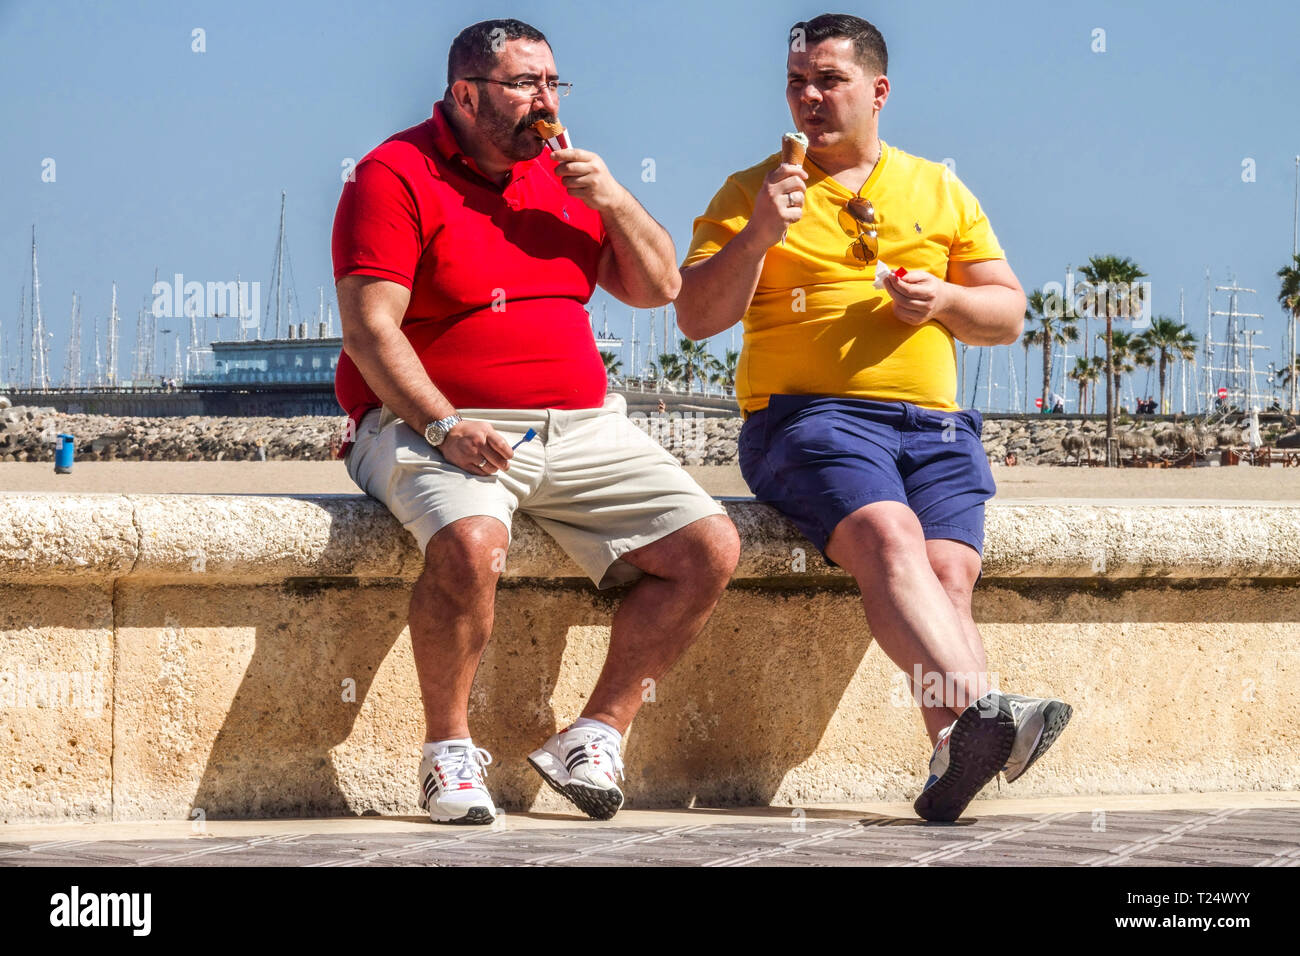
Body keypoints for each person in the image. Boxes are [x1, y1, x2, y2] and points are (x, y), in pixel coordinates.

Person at [333, 18, 740, 825]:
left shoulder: (569, 177)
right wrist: (445, 426)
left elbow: (663, 288)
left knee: (709, 547)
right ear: (464, 93)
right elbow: (370, 329)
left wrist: (614, 198)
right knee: (472, 545)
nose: (544, 102)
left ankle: (592, 735)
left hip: (581, 425)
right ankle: (447, 754)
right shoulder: (392, 172)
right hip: (427, 423)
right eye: (525, 85)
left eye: (552, 83)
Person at [676, 13, 1071, 822]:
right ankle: (988, 710)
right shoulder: (751, 190)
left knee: (950, 574)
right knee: (890, 540)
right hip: (810, 420)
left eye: (829, 80)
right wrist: (758, 235)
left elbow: (1007, 313)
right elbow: (694, 317)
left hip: (934, 425)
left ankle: (952, 756)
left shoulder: (938, 186)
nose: (808, 97)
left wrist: (946, 299)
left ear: (878, 91)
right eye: (796, 82)